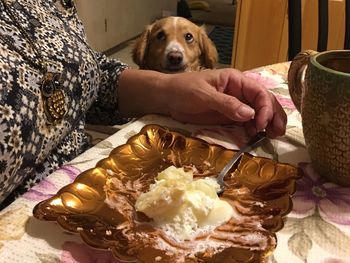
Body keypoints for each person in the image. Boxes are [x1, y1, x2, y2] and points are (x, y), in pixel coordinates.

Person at [0, 0, 287, 209]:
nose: (176, 51)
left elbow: (86, 78)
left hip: (90, 182)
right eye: (162, 38)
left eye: (188, 40)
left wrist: (168, 91)